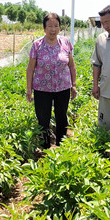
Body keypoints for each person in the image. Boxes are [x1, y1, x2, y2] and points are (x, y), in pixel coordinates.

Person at [26, 12, 77, 148]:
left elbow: (71, 65)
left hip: (63, 88)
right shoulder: (37, 45)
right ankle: (45, 148)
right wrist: (29, 88)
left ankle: (61, 147)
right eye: (49, 26)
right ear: (44, 28)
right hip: (42, 89)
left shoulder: (65, 43)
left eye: (56, 26)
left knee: (61, 118)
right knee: (43, 120)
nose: (53, 29)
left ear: (59, 27)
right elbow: (30, 69)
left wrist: (74, 85)